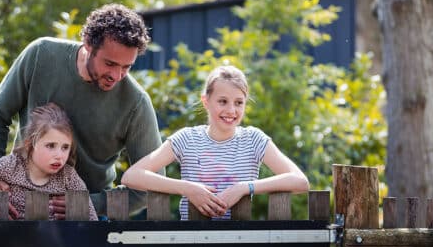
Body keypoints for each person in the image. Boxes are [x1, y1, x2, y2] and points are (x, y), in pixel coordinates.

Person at [0, 3, 161, 218]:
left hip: (87, 222)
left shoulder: (135, 103)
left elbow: (150, 184)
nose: (117, 75)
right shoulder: (41, 55)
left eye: (126, 67)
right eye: (109, 63)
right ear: (88, 45)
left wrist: (90, 204)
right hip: (19, 207)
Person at [120, 65, 309, 220]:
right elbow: (132, 176)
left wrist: (245, 187)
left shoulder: (254, 140)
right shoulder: (187, 139)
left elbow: (300, 182)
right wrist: (186, 188)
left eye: (239, 103)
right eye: (223, 101)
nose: (231, 110)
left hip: (238, 244)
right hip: (193, 243)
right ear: (206, 101)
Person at [0, 103, 97, 221]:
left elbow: (92, 220)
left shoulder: (68, 176)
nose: (59, 155)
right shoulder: (7, 166)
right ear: (30, 144)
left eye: (65, 147)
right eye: (50, 146)